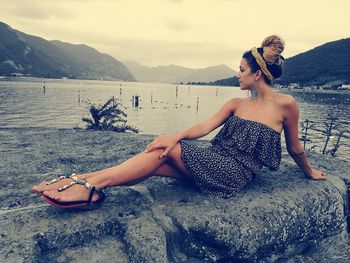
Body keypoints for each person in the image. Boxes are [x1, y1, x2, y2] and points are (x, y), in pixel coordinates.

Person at [32, 35, 327, 209]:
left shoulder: (285, 104)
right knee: (158, 160)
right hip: (213, 160)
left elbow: (295, 147)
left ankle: (86, 184)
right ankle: (88, 182)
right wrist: (174, 136)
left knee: (166, 148)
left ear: (257, 74)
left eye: (241, 70)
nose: (237, 74)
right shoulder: (236, 103)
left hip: (236, 173)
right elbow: (203, 128)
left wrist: (310, 172)